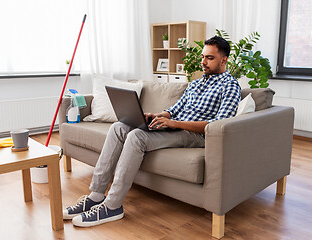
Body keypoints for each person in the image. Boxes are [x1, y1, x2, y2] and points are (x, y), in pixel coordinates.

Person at [63, 35, 241, 227]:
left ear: (224, 60)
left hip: (196, 134)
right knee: (118, 127)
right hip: (176, 126)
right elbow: (174, 110)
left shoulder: (230, 85)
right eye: (203, 57)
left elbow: (217, 125)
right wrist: (155, 116)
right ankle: (96, 195)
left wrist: (175, 124)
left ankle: (113, 205)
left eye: (210, 58)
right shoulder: (196, 84)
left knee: (137, 137)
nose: (203, 62)